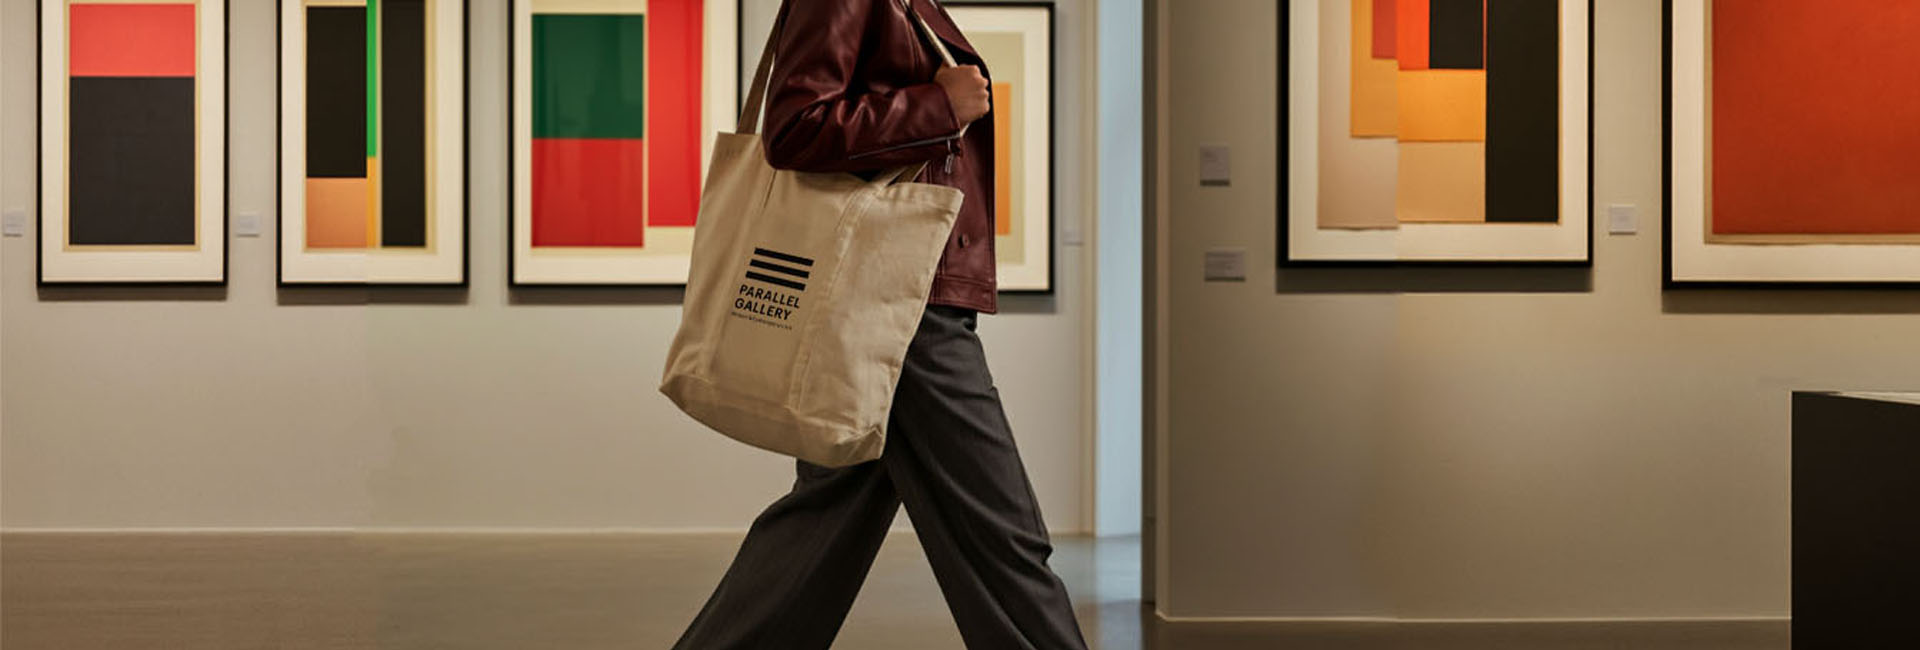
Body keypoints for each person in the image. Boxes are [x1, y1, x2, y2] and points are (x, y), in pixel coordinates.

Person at [671, 1, 1090, 649]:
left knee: (818, 530)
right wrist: (941, 106)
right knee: (998, 532)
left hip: (897, 298)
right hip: (897, 306)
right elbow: (795, 126)